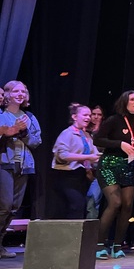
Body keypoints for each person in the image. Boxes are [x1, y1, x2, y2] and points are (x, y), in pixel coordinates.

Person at [92, 90, 134, 258]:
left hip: (128, 165)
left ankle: (117, 245)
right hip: (109, 165)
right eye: (132, 99)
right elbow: (98, 140)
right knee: (115, 203)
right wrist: (120, 144)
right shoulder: (113, 120)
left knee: (127, 205)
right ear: (124, 102)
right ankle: (99, 245)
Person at [0, 80, 43, 257]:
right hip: (4, 163)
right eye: (16, 91)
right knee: (5, 205)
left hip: (24, 165)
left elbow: (36, 141)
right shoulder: (2, 114)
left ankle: (0, 245)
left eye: (23, 91)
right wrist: (10, 131)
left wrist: (23, 132)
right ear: (7, 94)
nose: (20, 94)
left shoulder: (30, 117)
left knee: (14, 208)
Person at [50, 103, 101, 220]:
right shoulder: (67, 133)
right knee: (75, 205)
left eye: (89, 115)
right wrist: (87, 157)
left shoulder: (86, 135)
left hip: (80, 176)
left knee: (79, 207)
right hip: (66, 176)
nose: (88, 118)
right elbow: (62, 155)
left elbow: (95, 154)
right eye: (85, 115)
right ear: (74, 117)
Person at [84, 106, 105, 220]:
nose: (96, 117)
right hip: (83, 169)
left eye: (99, 114)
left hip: (97, 171)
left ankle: (89, 231)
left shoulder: (105, 132)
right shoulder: (84, 130)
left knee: (92, 200)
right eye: (94, 114)